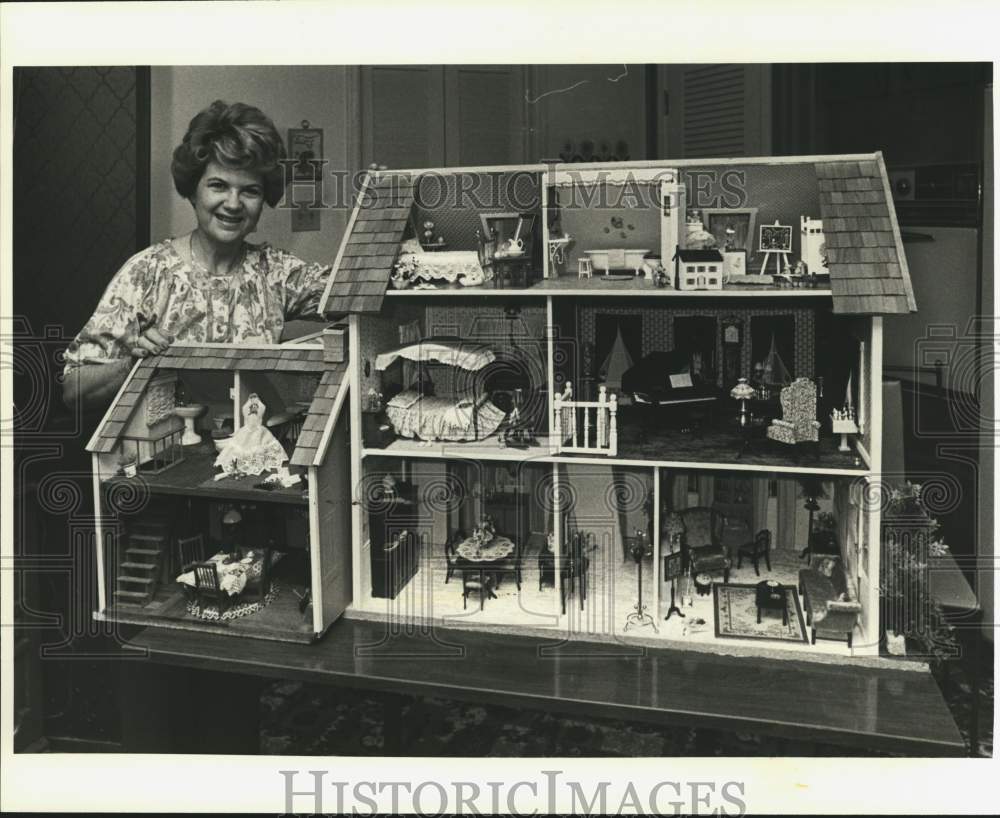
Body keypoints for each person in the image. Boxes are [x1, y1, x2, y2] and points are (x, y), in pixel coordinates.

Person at [62, 100, 332, 410]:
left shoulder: (277, 273)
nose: (233, 203)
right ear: (192, 190)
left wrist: (387, 210)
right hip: (166, 452)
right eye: (218, 185)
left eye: (250, 190)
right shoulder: (147, 273)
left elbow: (365, 292)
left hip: (251, 451)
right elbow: (72, 391)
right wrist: (132, 364)